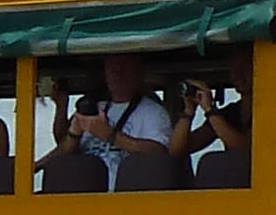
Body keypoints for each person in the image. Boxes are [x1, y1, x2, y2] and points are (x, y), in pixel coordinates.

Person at [38, 53, 180, 185]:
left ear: (139, 74)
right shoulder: (95, 108)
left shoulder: (153, 111)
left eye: (124, 70)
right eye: (112, 70)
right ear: (105, 76)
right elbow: (64, 149)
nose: (118, 76)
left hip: (126, 198)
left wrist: (110, 135)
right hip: (83, 197)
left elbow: (159, 152)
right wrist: (73, 133)